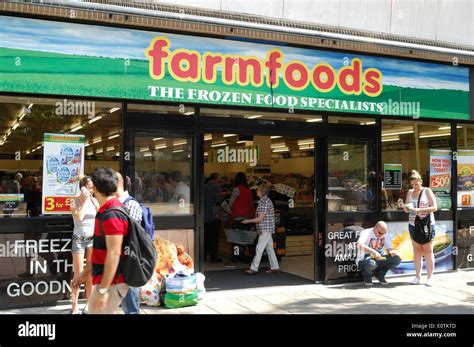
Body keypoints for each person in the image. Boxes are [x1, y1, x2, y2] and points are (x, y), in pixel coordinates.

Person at [73, 168, 129, 314]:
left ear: (95, 189)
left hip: (112, 281)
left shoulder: (112, 214)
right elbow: (101, 251)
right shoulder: (105, 211)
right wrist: (85, 273)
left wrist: (103, 290)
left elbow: (114, 254)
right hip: (106, 280)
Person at [70, 175, 99, 314]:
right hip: (79, 239)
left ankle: (88, 304)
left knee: (90, 274)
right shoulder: (75, 200)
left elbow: (100, 216)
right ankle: (74, 306)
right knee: (79, 273)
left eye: (92, 186)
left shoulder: (94, 201)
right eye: (89, 186)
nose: (91, 188)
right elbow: (79, 217)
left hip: (92, 238)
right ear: (83, 188)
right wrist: (83, 199)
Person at [403, 170, 437, 286]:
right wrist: (405, 207)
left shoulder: (427, 191)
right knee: (416, 251)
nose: (415, 187)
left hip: (427, 224)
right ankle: (417, 276)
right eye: (413, 184)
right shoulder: (409, 192)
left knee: (428, 250)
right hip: (413, 224)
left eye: (416, 184)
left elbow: (434, 207)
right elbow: (407, 208)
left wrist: (420, 210)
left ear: (420, 182)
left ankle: (430, 277)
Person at [116, 172, 143, 315]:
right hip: (119, 256)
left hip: (129, 257)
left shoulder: (131, 204)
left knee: (130, 302)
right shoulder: (117, 204)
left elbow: (129, 235)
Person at [242, 184, 280, 275]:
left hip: (265, 229)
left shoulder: (264, 202)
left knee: (259, 249)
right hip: (268, 228)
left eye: (258, 190)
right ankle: (275, 267)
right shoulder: (266, 200)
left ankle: (254, 268)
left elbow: (260, 218)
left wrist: (248, 221)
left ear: (262, 192)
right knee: (269, 248)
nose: (256, 192)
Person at [356, 221, 401, 285]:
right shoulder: (367, 232)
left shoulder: (384, 234)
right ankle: (367, 277)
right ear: (375, 228)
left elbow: (389, 249)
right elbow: (359, 245)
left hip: (379, 259)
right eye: (380, 233)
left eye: (383, 233)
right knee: (371, 263)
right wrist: (373, 252)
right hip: (363, 259)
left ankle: (380, 274)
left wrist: (391, 251)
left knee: (396, 259)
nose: (382, 235)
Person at [226, 172, 255, 268]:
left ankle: (234, 260)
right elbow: (250, 204)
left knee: (236, 239)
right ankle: (254, 259)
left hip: (238, 218)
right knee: (248, 239)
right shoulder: (248, 190)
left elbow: (230, 203)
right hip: (248, 218)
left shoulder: (236, 189)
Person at [204, 173, 223, 263]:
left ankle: (203, 256)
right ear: (215, 179)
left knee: (205, 237)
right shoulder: (216, 187)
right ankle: (213, 257)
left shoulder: (203, 186)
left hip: (204, 216)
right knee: (214, 238)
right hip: (213, 216)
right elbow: (218, 200)